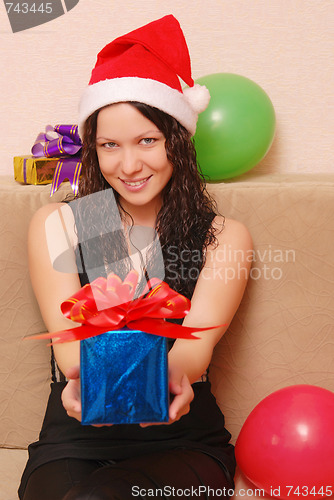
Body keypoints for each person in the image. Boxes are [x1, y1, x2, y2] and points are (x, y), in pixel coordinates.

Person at [19, 15, 252, 500]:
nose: (129, 166)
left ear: (178, 141)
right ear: (93, 151)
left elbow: (195, 349)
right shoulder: (62, 224)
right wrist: (91, 374)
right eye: (109, 146)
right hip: (75, 440)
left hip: (182, 439)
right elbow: (70, 352)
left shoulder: (223, 237)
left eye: (147, 140)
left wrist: (168, 376)